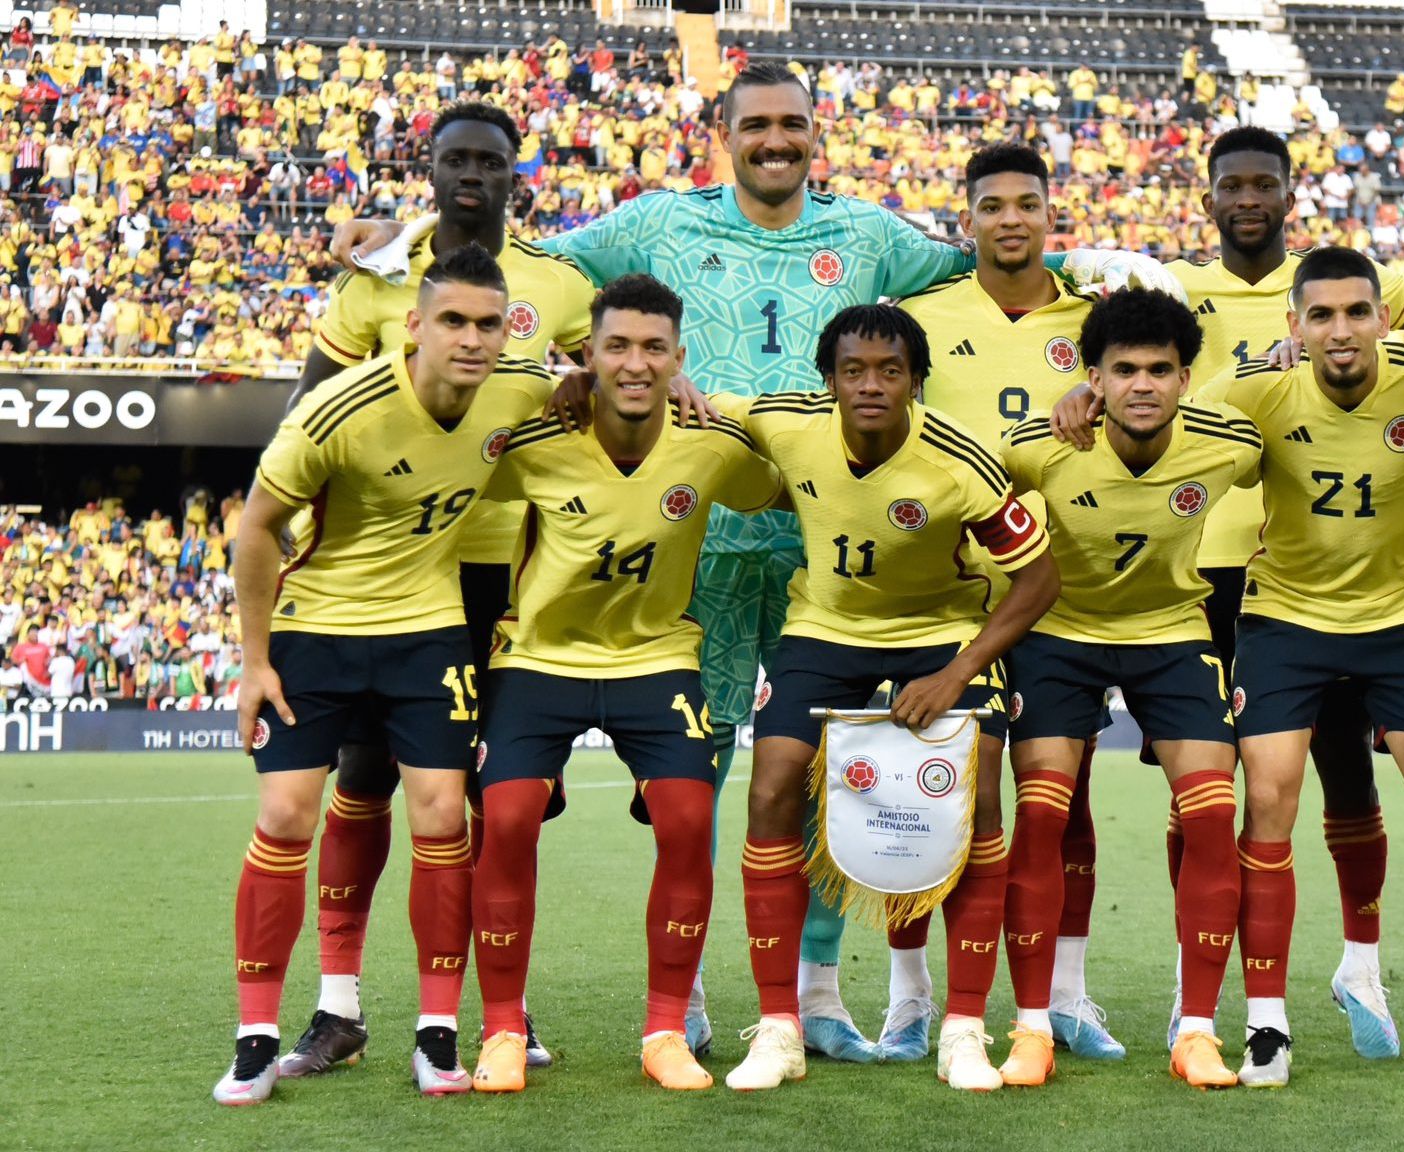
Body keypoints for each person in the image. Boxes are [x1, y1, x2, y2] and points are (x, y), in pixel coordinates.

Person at [333, 65, 1169, 1060]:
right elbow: (522, 264)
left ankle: (816, 995)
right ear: (721, 132)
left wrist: (1108, 287)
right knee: (702, 766)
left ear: (818, 135)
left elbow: (994, 255)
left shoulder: (868, 236)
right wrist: (388, 243)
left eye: (793, 126)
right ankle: (679, 1001)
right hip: (693, 540)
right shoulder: (654, 225)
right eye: (756, 125)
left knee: (829, 765)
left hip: (829, 548)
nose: (776, 140)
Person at [279, 101, 594, 1079]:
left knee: (505, 800)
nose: (470, 176)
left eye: (488, 162)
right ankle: (338, 1007)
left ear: (514, 173)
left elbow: (586, 419)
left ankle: (504, 1004)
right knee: (367, 782)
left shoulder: (559, 286)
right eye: (453, 159)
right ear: (427, 168)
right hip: (389, 575)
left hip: (509, 576)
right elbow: (303, 414)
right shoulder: (375, 280)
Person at [218, 246, 557, 1105]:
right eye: (453, 321)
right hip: (317, 632)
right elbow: (256, 530)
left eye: (488, 323)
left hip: (428, 633)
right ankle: (254, 1037)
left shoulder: (519, 393)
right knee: (286, 814)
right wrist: (254, 663)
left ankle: (437, 1034)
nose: (472, 340)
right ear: (415, 325)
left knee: (445, 811)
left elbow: (598, 392)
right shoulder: (339, 410)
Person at [713, 304, 1059, 1092]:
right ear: (828, 380)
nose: (871, 386)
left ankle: (964, 1031)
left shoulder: (960, 460)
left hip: (940, 633)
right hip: (824, 628)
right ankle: (778, 1030)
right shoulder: (784, 422)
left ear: (915, 381)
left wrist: (958, 672)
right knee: (769, 791)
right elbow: (691, 400)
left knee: (979, 805)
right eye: (854, 371)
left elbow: (1039, 579)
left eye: (890, 371)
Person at [1195, 247, 1404, 1092]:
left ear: (1384, 318)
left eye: (1356, 313)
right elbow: (1160, 424)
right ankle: (1265, 1026)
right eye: (1321, 315)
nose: (1340, 330)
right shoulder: (1257, 389)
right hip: (1284, 622)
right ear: (1293, 324)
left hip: (1397, 621)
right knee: (1269, 799)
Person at [466, 275, 782, 1094]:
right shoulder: (536, 438)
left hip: (655, 659)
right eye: (616, 347)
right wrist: (544, 384)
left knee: (687, 818)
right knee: (506, 819)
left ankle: (665, 1030)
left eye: (652, 349)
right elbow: (464, 442)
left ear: (680, 358)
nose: (634, 364)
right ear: (589, 355)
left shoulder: (712, 442)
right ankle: (502, 1028)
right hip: (538, 659)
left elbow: (781, 473)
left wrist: (730, 408)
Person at [996, 289, 1256, 1090]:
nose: (1143, 385)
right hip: (1061, 636)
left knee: (1214, 818)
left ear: (1186, 378)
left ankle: (1200, 1032)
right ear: (1094, 379)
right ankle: (1032, 1027)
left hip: (1172, 635)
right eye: (1124, 370)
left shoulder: (1229, 444)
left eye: (1160, 370)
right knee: (1041, 816)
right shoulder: (1037, 446)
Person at [896, 143, 1122, 1061]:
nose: (1012, 219)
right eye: (994, 206)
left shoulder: (1098, 323)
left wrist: (1098, 380)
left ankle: (1064, 994)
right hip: (948, 597)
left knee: (1065, 802)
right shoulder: (920, 317)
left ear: (1049, 214)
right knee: (931, 801)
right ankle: (913, 998)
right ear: (969, 220)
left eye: (1029, 203)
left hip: (1065, 591)